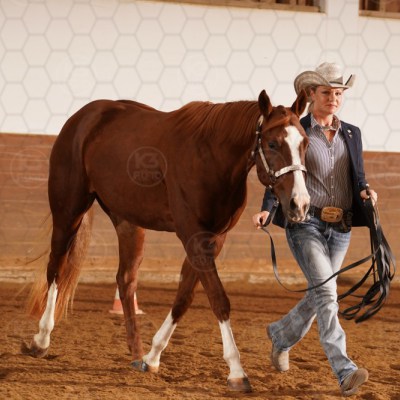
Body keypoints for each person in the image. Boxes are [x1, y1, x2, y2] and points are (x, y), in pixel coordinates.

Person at [252, 62, 377, 397]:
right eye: (326, 92)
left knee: (321, 293)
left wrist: (366, 192)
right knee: (327, 294)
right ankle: (344, 370)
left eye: (338, 93)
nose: (333, 98)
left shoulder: (352, 133)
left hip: (342, 227)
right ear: (310, 94)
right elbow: (284, 169)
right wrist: (267, 208)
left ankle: (280, 335)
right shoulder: (298, 128)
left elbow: (358, 178)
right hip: (305, 222)